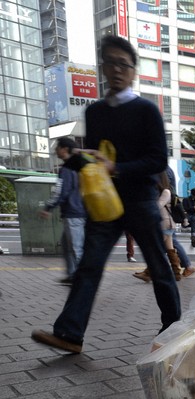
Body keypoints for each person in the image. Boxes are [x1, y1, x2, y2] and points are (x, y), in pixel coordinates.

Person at [31, 35, 180, 354]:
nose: (116, 69)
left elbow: (158, 161)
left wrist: (119, 167)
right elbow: (98, 156)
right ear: (103, 67)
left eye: (123, 64)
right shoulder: (96, 112)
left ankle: (175, 329)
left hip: (140, 200)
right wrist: (77, 160)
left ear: (133, 70)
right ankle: (70, 334)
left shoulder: (146, 111)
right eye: (110, 62)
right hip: (105, 204)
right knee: (90, 264)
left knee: (158, 265)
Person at [39, 137, 86, 284]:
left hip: (73, 213)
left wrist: (48, 208)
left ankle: (82, 278)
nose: (55, 150)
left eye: (57, 147)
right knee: (67, 246)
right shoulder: (80, 166)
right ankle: (72, 274)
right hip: (79, 212)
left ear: (64, 149)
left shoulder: (67, 169)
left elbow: (61, 192)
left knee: (75, 248)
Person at [131, 171, 184, 282]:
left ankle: (148, 273)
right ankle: (177, 272)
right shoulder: (162, 191)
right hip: (166, 223)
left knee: (157, 248)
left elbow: (157, 206)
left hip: (165, 223)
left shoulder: (166, 191)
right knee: (169, 249)